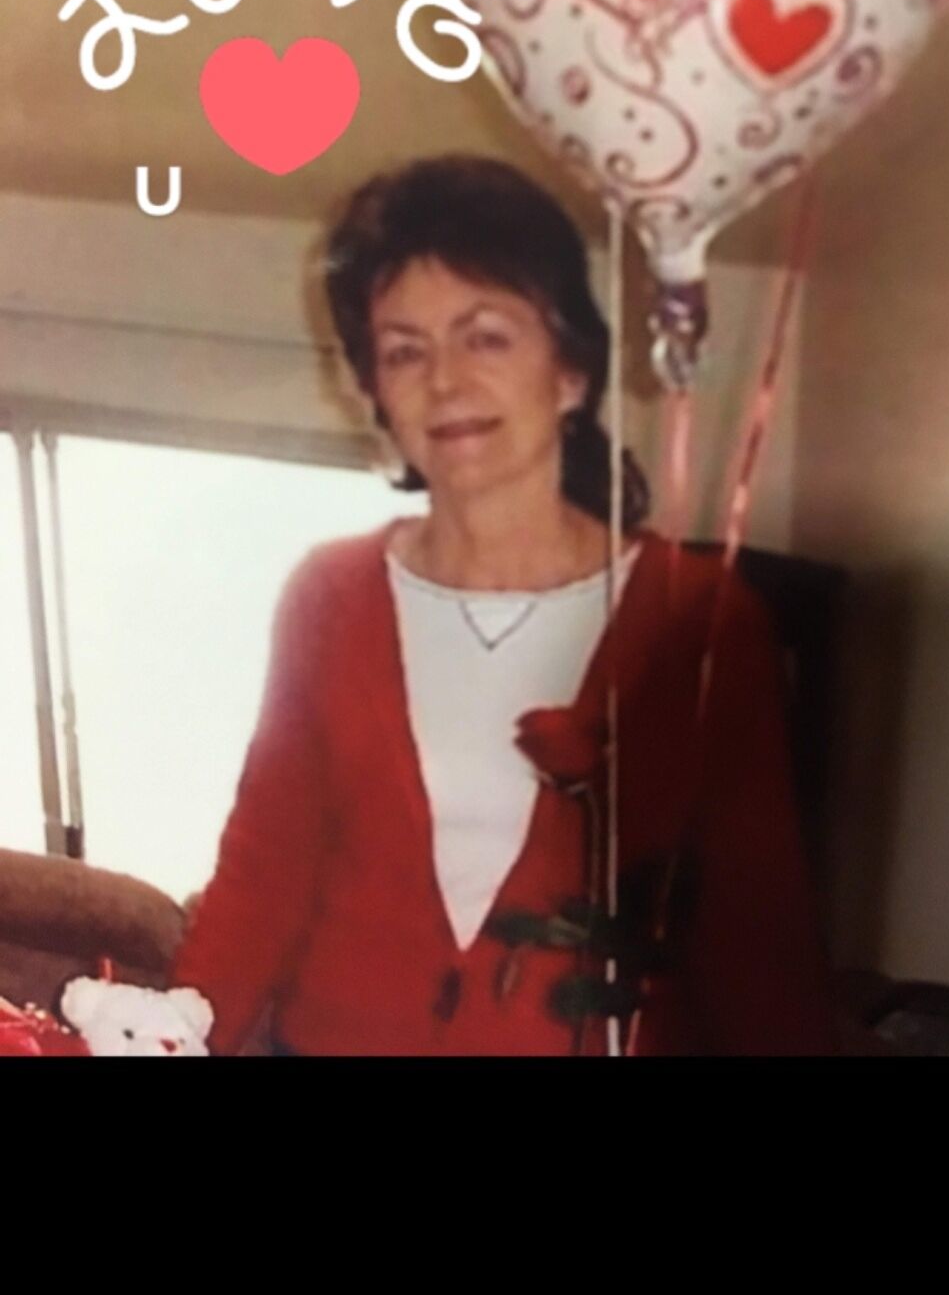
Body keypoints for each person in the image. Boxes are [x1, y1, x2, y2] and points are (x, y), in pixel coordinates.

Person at [169, 155, 837, 1055]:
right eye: (404, 351)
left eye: (484, 337)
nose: (444, 382)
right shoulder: (328, 597)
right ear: (374, 391)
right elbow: (263, 876)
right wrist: (164, 1040)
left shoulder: (702, 621)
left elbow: (757, 935)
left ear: (571, 370)